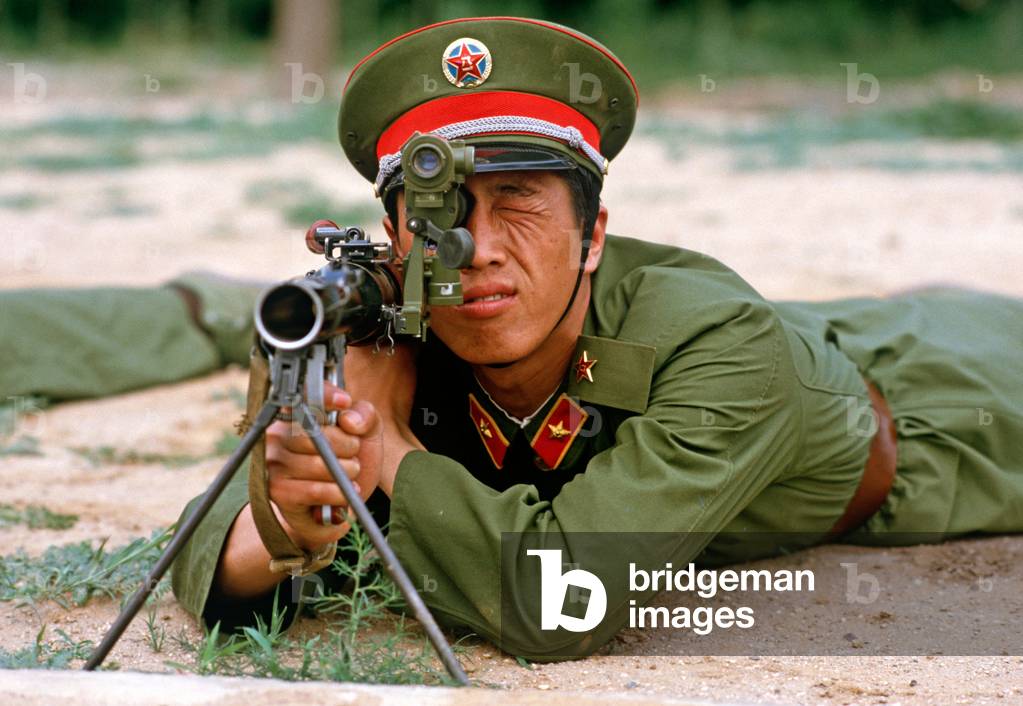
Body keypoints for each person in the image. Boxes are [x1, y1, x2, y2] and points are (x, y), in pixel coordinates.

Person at [4, 17, 1021, 659]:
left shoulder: (718, 340)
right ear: (395, 235)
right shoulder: (388, 328)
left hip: (952, 403)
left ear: (594, 234)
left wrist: (385, 451)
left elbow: (561, 602)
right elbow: (213, 536)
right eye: (443, 217)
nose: (478, 251)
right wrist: (284, 526)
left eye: (521, 203)